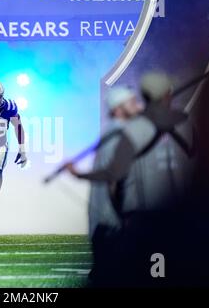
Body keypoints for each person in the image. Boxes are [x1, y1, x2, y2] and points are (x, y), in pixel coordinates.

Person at [66, 86, 143, 286]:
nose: (138, 106)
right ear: (118, 109)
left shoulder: (114, 131)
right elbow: (113, 178)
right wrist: (123, 213)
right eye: (132, 102)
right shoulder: (118, 134)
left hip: (107, 219)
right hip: (111, 220)